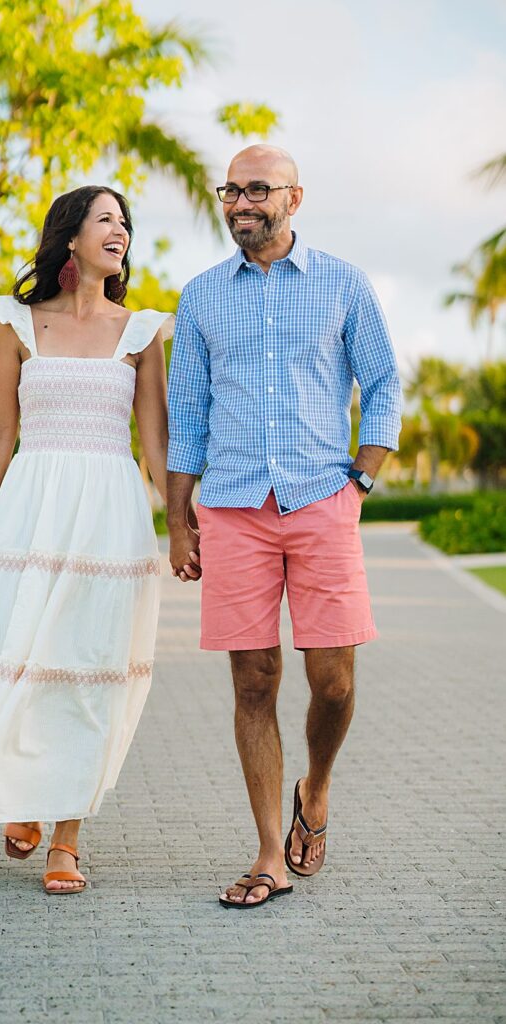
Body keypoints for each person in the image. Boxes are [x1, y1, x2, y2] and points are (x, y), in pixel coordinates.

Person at [166, 145, 402, 909]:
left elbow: (383, 380)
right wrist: (177, 518)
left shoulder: (342, 284)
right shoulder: (200, 297)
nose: (240, 202)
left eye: (256, 189)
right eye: (230, 190)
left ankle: (318, 785)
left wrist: (360, 479)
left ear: (293, 199)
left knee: (331, 683)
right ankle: (269, 851)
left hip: (320, 503)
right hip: (232, 508)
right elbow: (188, 417)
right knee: (253, 680)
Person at [0, 185, 172, 894]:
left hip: (111, 517)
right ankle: (24, 797)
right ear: (69, 236)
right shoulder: (16, 322)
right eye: (106, 219)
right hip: (30, 512)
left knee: (86, 669)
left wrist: (187, 524)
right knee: (26, 658)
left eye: (125, 222)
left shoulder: (141, 331)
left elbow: (155, 443)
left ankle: (66, 838)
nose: (121, 231)